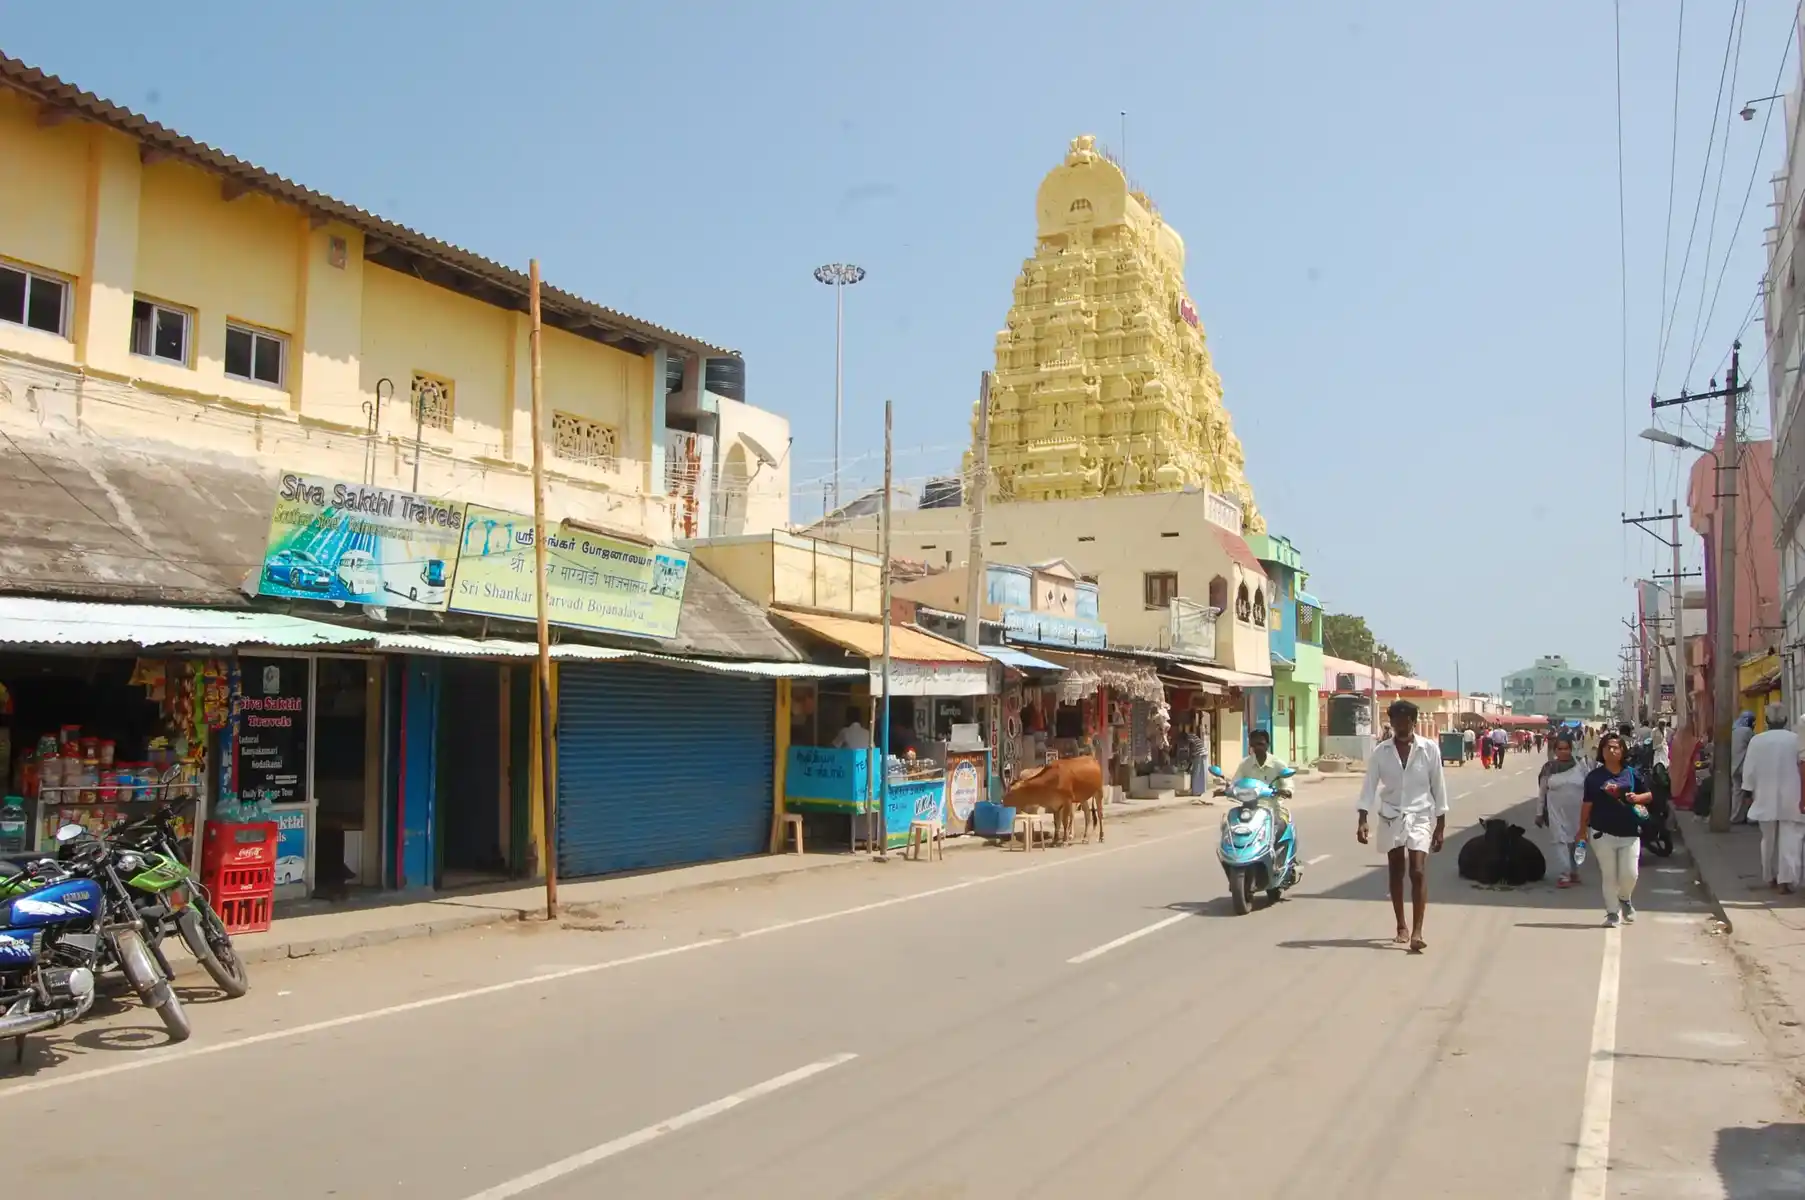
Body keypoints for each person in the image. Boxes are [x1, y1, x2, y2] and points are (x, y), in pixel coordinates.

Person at [1357, 699, 1448, 953]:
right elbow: (1369, 786)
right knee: (1396, 870)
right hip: (1390, 815)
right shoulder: (1381, 752)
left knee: (1417, 871)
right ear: (1392, 723)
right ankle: (1401, 925)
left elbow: (1438, 787)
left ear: (1414, 722)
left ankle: (1418, 931)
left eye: (1405, 720)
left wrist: (1440, 824)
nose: (1400, 725)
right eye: (1396, 720)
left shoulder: (1429, 749)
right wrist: (1363, 818)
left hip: (1420, 815)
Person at [1580, 730, 1653, 927]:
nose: (1612, 750)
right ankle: (1612, 913)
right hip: (1601, 833)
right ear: (1602, 751)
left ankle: (1625, 898)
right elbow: (1587, 805)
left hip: (1630, 832)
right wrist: (1581, 832)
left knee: (1630, 874)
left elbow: (1649, 795)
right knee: (1609, 875)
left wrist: (1636, 798)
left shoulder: (1631, 773)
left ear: (1622, 751)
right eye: (1608, 747)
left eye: (1616, 747)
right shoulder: (1593, 778)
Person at [1742, 702, 1805, 894]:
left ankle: (1769, 876)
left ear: (1767, 720)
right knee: (1790, 838)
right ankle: (1785, 881)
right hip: (1792, 796)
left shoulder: (1757, 741)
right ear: (1786, 720)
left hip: (1764, 795)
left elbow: (1749, 770)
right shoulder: (1796, 740)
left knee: (1767, 839)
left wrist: (1747, 792)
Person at [1536, 733, 1586, 887]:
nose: (1563, 752)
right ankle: (1564, 874)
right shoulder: (1549, 768)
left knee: (1575, 843)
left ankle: (1574, 870)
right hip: (1556, 812)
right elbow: (1542, 792)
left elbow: (1590, 788)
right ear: (1555, 750)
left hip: (1577, 813)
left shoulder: (1582, 766)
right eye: (1560, 749)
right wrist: (1539, 813)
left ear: (1572, 749)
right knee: (1560, 841)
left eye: (1566, 748)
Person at [1233, 728, 1293, 837]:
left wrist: (1285, 790)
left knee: (1279, 828)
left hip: (1273, 808)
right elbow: (1236, 782)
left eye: (1260, 744)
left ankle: (1278, 852)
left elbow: (1288, 783)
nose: (1257, 747)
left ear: (1267, 745)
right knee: (1229, 824)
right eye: (1254, 744)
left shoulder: (1278, 764)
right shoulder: (1245, 764)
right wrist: (1228, 789)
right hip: (1249, 808)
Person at [1732, 711, 1758, 823]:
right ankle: (1752, 817)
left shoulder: (1733, 731)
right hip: (1744, 767)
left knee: (1737, 792)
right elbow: (1756, 743)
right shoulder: (1747, 731)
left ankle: (1735, 816)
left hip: (1734, 767)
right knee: (1752, 791)